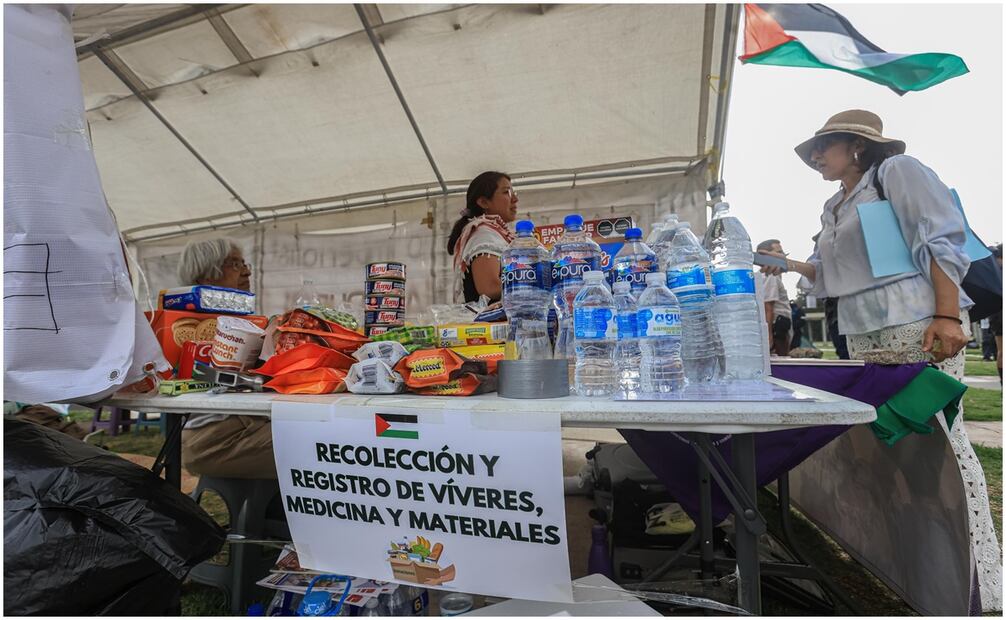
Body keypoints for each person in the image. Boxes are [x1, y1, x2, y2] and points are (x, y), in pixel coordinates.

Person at [761, 109, 1000, 609]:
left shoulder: (896, 173)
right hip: (865, 333)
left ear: (858, 146)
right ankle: (922, 567)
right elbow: (829, 274)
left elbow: (940, 237)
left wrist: (948, 316)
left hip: (917, 324)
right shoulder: (835, 204)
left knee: (939, 439)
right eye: (811, 151)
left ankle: (980, 578)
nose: (814, 157)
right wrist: (772, 262)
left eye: (822, 146)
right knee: (898, 446)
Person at [176, 238, 276, 479]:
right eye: (235, 264)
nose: (247, 271)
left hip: (248, 422)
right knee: (323, 444)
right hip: (215, 435)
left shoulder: (242, 320)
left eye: (244, 263)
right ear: (206, 276)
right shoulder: (188, 323)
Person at [446, 171, 518, 303]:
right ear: (484, 202)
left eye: (514, 192)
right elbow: (489, 287)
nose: (515, 199)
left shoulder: (495, 233)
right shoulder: (483, 234)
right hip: (488, 322)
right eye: (506, 192)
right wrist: (531, 284)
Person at [756, 239, 792, 355]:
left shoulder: (771, 276)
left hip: (779, 326)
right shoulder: (769, 275)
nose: (782, 255)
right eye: (779, 252)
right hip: (777, 327)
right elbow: (768, 307)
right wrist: (769, 337)